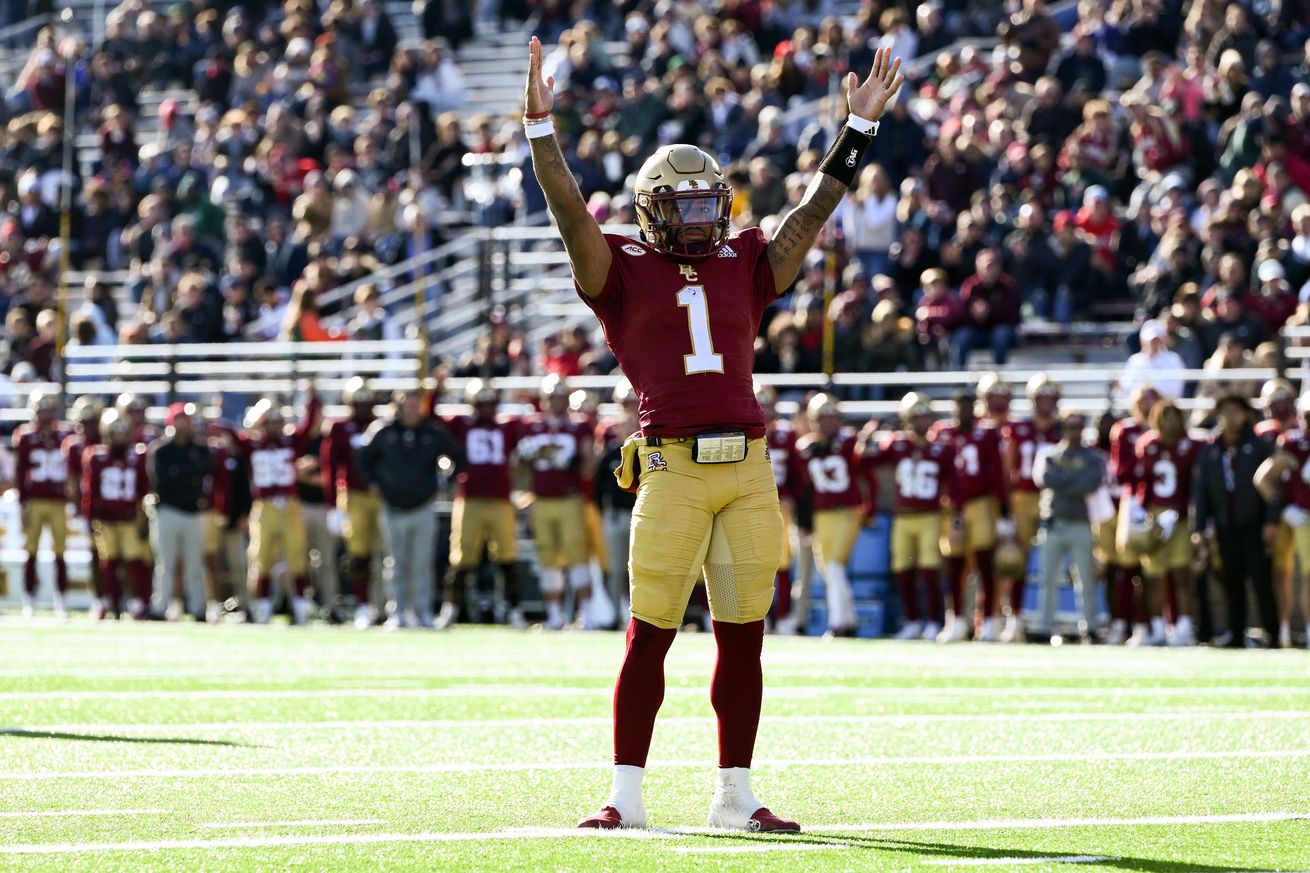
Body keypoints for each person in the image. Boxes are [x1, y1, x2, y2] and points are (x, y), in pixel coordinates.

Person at [526, 35, 904, 832]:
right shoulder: (616, 267)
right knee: (650, 634)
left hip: (749, 467)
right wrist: (540, 135)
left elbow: (811, 212)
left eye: (709, 204)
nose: (700, 220)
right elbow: (566, 207)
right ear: (649, 210)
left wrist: (856, 132)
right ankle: (624, 794)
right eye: (684, 206)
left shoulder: (746, 258)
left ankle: (736, 792)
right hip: (671, 466)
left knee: (745, 639)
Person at [360, 390, 464, 629]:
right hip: (392, 506)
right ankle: (396, 612)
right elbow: (363, 459)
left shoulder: (432, 432)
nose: (413, 410)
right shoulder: (383, 431)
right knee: (395, 562)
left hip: (422, 507)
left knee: (421, 562)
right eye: (409, 405)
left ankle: (422, 612)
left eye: (417, 405)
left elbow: (457, 456)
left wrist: (445, 484)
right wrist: (373, 484)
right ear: (399, 406)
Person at [863, 392, 955, 642]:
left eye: (925, 417)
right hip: (903, 517)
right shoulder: (897, 444)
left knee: (930, 571)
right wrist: (866, 437)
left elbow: (953, 483)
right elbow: (865, 461)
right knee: (902, 570)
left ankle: (934, 622)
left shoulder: (941, 449)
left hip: (930, 516)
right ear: (907, 419)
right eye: (916, 417)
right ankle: (912, 621)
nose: (921, 422)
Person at [224, 388, 321, 625]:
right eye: (269, 421)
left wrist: (312, 398)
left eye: (278, 421)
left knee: (297, 555)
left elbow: (308, 426)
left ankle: (301, 609)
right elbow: (230, 433)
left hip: (290, 505)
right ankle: (263, 608)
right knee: (261, 557)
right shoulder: (252, 446)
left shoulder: (291, 442)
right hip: (264, 506)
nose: (274, 426)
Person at [437, 380, 525, 629]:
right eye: (481, 403)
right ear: (472, 405)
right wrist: (435, 391)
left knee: (508, 558)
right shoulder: (460, 425)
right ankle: (450, 608)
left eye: (489, 403)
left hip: (500, 500)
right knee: (461, 558)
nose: (486, 408)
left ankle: (514, 610)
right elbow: (432, 419)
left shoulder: (507, 427)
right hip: (470, 499)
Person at [1197, 393, 1279, 647]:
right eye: (1225, 411)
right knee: (1231, 583)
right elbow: (1202, 491)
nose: (1231, 417)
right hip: (1225, 525)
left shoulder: (1259, 446)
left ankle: (1272, 634)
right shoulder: (1211, 449)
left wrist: (1271, 520)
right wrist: (1199, 527)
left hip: (1253, 525)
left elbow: (1273, 488)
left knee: (1261, 581)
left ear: (1246, 414)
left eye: (1236, 411)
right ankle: (1235, 633)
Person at [517, 374, 594, 629]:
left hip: (569, 498)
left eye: (560, 397)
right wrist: (524, 458)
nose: (557, 402)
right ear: (545, 399)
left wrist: (569, 462)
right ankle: (554, 613)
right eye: (552, 397)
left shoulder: (578, 426)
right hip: (540, 500)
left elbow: (589, 466)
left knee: (577, 554)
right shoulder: (532, 426)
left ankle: (585, 613)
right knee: (547, 557)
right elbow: (520, 468)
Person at [928, 392, 1006, 643]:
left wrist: (1004, 510)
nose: (962, 411)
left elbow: (997, 474)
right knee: (954, 566)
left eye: (966, 406)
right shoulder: (942, 433)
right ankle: (956, 620)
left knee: (985, 564)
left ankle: (989, 621)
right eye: (958, 405)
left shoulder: (987, 433)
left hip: (980, 504)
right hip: (952, 508)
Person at [1123, 400, 1200, 646]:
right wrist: (1139, 511)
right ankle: (1156, 628)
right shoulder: (1147, 445)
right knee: (1152, 575)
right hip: (1154, 514)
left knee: (1181, 574)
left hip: (1181, 516)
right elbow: (1139, 483)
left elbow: (1196, 485)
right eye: (1164, 417)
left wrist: (1183, 510)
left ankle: (1184, 626)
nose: (1170, 422)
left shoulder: (1193, 446)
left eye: (1174, 416)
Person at [795, 394, 867, 638]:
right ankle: (849, 620)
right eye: (823, 419)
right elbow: (802, 489)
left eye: (832, 418)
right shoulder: (805, 448)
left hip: (847, 512)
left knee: (834, 567)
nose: (828, 424)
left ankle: (838, 623)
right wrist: (804, 522)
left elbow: (863, 468)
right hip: (821, 515)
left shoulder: (849, 443)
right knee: (829, 570)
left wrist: (869, 507)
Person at [1032, 410, 1106, 644]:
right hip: (1054, 523)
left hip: (1081, 523)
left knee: (1085, 578)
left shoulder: (1093, 457)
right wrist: (1074, 481)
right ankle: (1044, 626)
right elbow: (1047, 479)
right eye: (1070, 426)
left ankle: (1090, 627)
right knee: (1048, 578)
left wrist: (1064, 481)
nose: (1074, 431)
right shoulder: (1050, 454)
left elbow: (1090, 483)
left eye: (1078, 426)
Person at [323, 376, 381, 628]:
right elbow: (331, 467)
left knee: (386, 555)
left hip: (381, 495)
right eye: (358, 402)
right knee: (359, 554)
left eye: (366, 402)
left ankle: (386, 604)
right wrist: (332, 505)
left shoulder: (381, 426)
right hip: (354, 496)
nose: (362, 407)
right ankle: (364, 605)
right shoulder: (340, 428)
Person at [83, 409, 152, 620]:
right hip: (105, 519)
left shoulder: (138, 455)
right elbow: (90, 490)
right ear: (107, 434)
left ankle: (138, 602)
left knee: (135, 561)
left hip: (129, 517)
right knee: (108, 563)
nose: (120, 437)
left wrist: (143, 517)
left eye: (123, 432)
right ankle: (110, 602)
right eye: (116, 433)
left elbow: (143, 489)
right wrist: (89, 516)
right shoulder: (96, 456)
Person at [147, 403, 213, 621]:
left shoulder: (200, 448)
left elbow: (204, 470)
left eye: (186, 420)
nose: (183, 424)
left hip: (193, 512)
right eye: (179, 420)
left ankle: (197, 608)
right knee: (165, 563)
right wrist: (188, 475)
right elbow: (164, 479)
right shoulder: (161, 450)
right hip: (168, 512)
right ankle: (160, 607)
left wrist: (182, 474)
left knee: (194, 564)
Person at [1254, 394, 1310, 650]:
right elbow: (1263, 479)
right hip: (1292, 516)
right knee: (1282, 572)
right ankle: (1285, 630)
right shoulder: (1293, 443)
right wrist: (1284, 507)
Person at [13, 391, 71, 619]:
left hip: (58, 501)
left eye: (48, 410)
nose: (45, 415)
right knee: (31, 552)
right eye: (41, 410)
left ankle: (61, 601)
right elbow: (20, 472)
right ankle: (29, 600)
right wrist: (22, 503)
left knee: (60, 554)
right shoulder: (26, 436)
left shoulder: (65, 435)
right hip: (35, 501)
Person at [1120, 319, 1188, 400]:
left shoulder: (1173, 359)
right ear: (1142, 340)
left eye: (1157, 339)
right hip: (1140, 406)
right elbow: (1127, 386)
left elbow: (1176, 389)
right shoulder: (1135, 360)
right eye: (1151, 340)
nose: (1153, 343)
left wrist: (1153, 394)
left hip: (1165, 407)